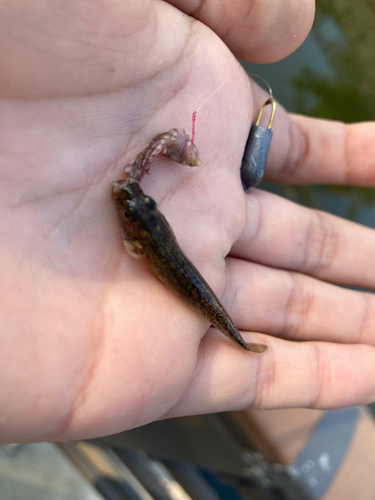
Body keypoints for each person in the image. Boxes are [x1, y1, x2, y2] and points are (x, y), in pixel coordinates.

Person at [1, 0, 374, 445]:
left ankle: (234, 336)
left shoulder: (141, 236)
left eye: (135, 205)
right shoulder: (143, 231)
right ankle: (235, 337)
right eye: (134, 206)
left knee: (200, 295)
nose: (128, 197)